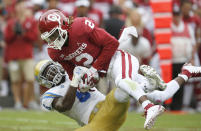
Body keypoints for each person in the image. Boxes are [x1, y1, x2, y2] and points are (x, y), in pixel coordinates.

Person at [38, 9, 164, 129]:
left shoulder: (80, 26)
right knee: (129, 89)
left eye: (54, 34)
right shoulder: (54, 52)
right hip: (105, 73)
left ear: (64, 25)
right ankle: (150, 85)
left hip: (114, 60)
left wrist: (93, 69)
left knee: (122, 82)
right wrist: (82, 83)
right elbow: (72, 74)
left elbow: (112, 44)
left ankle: (149, 106)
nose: (53, 40)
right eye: (49, 38)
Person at [35, 60, 201, 131]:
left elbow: (99, 70)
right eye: (47, 73)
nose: (52, 73)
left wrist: (87, 78)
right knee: (158, 95)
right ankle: (186, 73)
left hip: (108, 106)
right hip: (98, 123)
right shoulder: (49, 96)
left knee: (123, 88)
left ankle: (148, 84)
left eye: (52, 68)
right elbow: (64, 105)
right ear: (43, 81)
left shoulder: (73, 71)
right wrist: (75, 81)